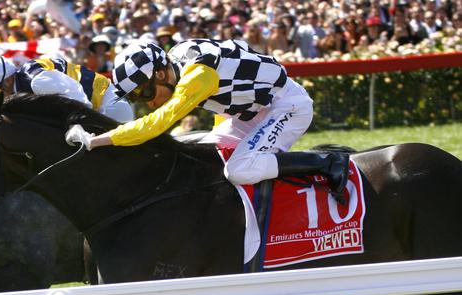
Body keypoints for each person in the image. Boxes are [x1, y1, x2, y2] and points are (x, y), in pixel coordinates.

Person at [65, 40, 349, 203]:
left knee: (239, 170)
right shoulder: (177, 62)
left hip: (287, 107)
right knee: (198, 148)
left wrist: (97, 139)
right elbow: (227, 94)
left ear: (162, 74)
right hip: (251, 112)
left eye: (146, 92)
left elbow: (156, 124)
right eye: (139, 98)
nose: (149, 102)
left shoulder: (196, 76)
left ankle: (327, 162)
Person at [0, 55, 134, 122]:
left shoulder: (37, 82)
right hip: (96, 105)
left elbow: (81, 107)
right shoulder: (21, 87)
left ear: (6, 82)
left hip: (108, 105)